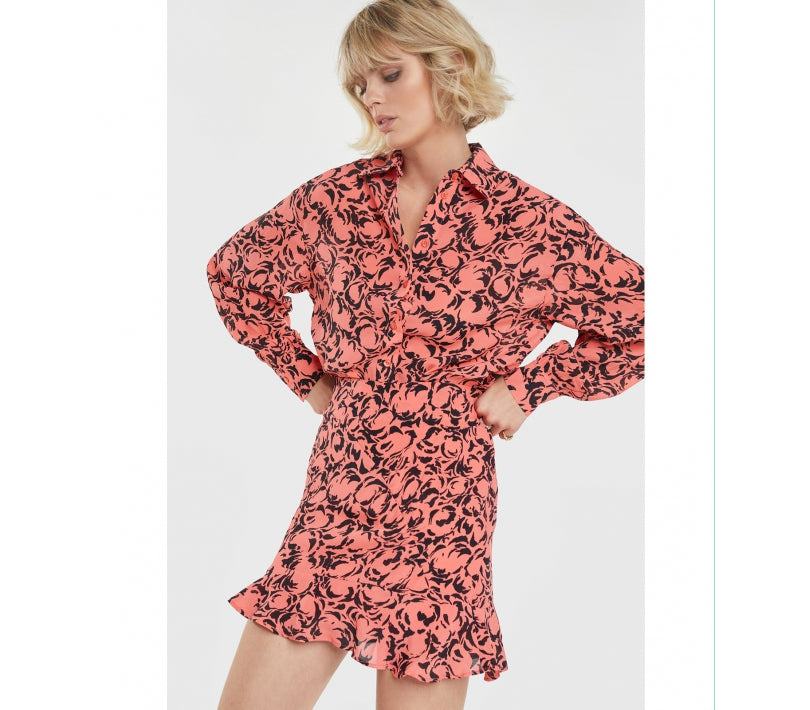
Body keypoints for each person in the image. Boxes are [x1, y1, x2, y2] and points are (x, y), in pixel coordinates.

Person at [206, 1, 644, 708]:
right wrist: (308, 378)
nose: (372, 98)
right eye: (360, 84)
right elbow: (235, 276)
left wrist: (534, 385)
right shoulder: (334, 202)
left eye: (389, 74)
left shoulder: (530, 224)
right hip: (341, 495)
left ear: (451, 67)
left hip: (447, 507)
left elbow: (646, 320)